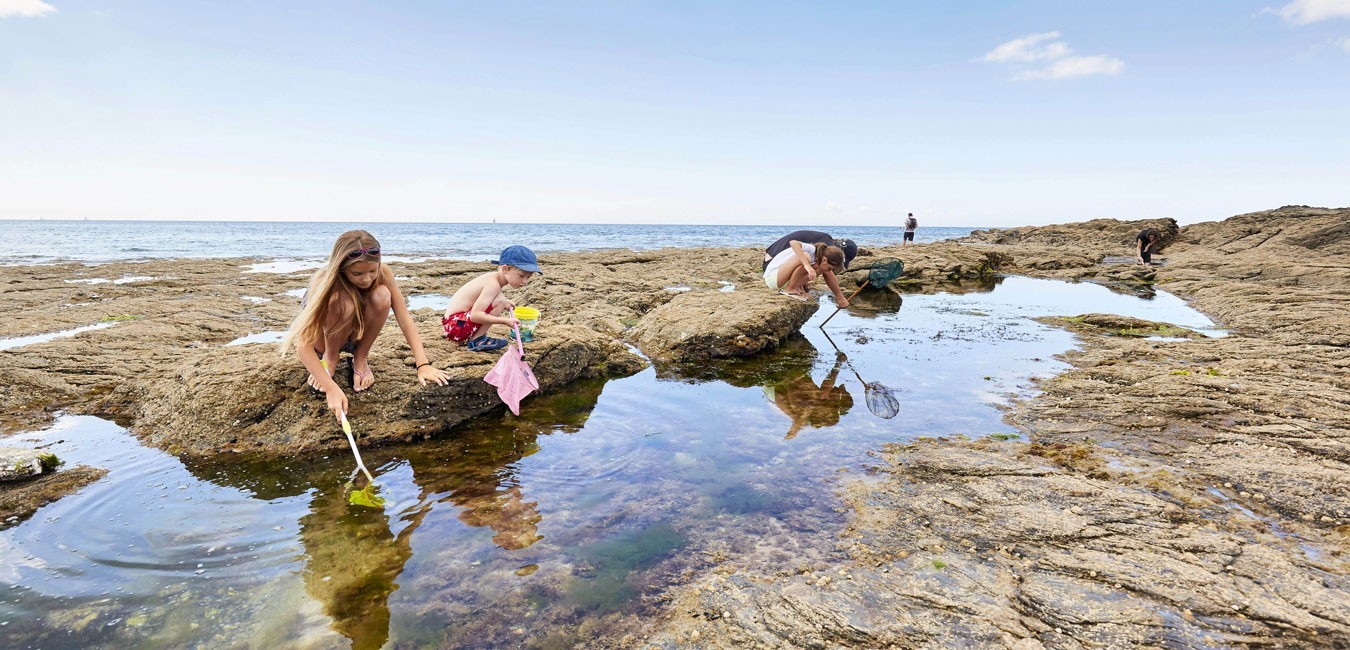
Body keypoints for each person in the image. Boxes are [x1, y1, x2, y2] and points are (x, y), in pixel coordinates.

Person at [280, 230, 450, 422]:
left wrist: (423, 365)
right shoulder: (325, 282)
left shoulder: (383, 272)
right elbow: (303, 345)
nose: (367, 279)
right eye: (357, 273)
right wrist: (331, 388)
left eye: (372, 271)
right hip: (324, 341)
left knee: (382, 294)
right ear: (341, 267)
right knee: (342, 301)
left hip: (356, 337)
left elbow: (404, 319)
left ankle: (360, 358)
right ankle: (331, 357)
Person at [442, 245, 539, 352]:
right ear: (505, 269)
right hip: (456, 327)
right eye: (521, 276)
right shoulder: (493, 284)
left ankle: (476, 338)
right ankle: (477, 340)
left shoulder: (493, 278)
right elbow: (475, 316)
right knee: (500, 300)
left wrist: (504, 302)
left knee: (501, 299)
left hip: (454, 325)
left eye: (528, 277)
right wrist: (505, 321)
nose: (525, 281)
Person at [763, 231, 854, 307]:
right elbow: (793, 243)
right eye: (830, 268)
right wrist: (807, 266)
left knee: (815, 266)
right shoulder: (813, 249)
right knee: (806, 258)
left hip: (782, 275)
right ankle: (790, 290)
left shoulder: (821, 255)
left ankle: (798, 289)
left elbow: (823, 269)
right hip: (773, 277)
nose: (828, 271)